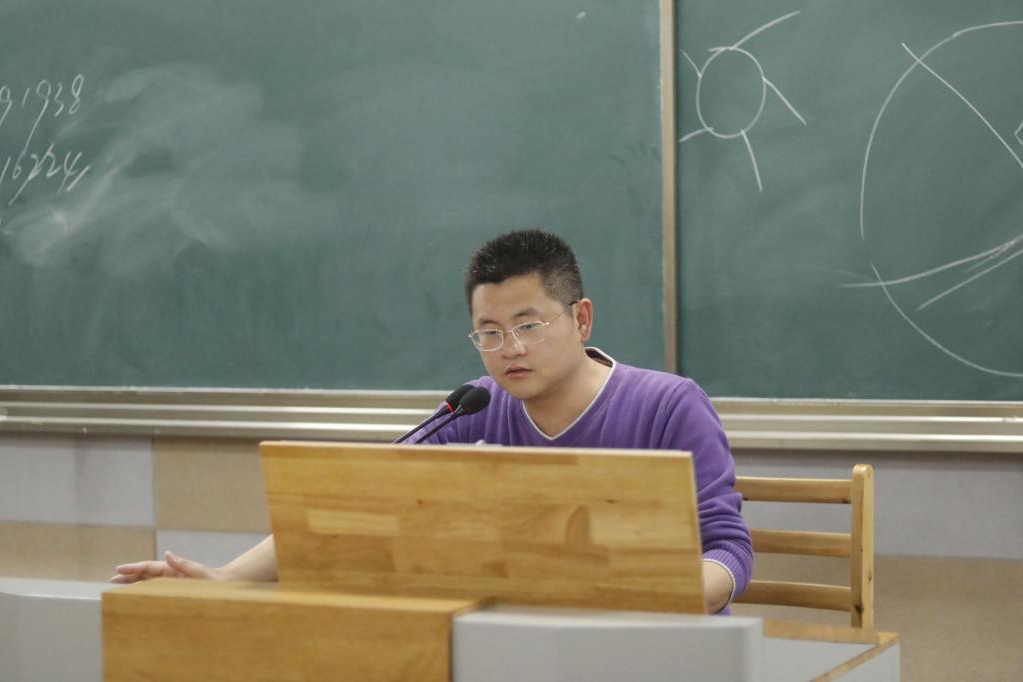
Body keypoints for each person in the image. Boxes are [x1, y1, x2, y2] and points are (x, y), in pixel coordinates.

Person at [113, 229, 752, 613]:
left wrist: (648, 596)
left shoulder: (668, 405)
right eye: (489, 332)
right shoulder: (476, 407)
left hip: (656, 648)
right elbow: (362, 503)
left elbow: (727, 551)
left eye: (529, 325)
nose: (511, 349)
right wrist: (225, 579)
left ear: (580, 319)